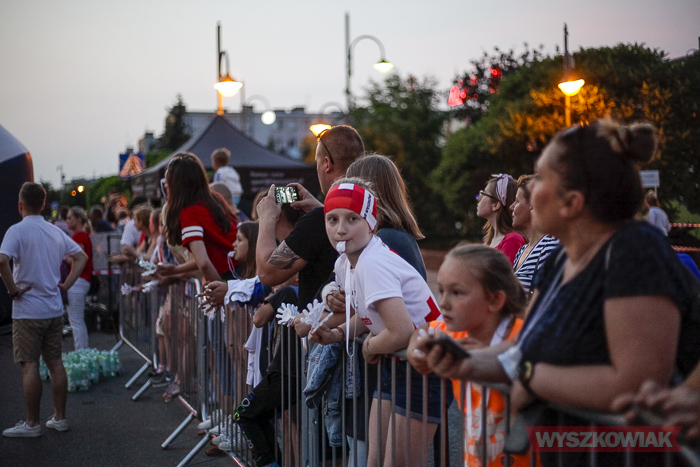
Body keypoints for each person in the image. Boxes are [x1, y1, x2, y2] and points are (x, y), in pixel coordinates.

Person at [416, 120, 700, 466]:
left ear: (572, 202)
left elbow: (634, 385)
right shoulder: (562, 258)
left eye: (541, 178)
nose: (528, 191)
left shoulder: (634, 251)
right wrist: (465, 362)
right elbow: (522, 349)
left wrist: (529, 377)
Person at [315, 179, 443, 467]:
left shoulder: (372, 262)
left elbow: (401, 331)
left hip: (424, 365)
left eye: (352, 219)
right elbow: (367, 314)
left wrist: (370, 346)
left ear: (371, 223)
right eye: (332, 219)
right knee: (374, 461)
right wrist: (336, 333)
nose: (341, 229)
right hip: (399, 363)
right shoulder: (345, 261)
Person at [408, 244, 529, 467]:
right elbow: (423, 330)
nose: (443, 302)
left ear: (495, 300)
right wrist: (415, 352)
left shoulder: (523, 336)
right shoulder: (457, 333)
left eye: (456, 292)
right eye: (441, 290)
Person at [0, 182, 88, 437]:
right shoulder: (54, 231)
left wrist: (13, 290)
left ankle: (32, 423)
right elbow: (81, 257)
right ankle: (59, 418)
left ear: (20, 205)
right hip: (53, 308)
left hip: (27, 310)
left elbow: (2, 260)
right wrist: (66, 285)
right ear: (43, 204)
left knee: (29, 365)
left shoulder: (16, 231)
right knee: (55, 362)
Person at [160, 152, 238, 283]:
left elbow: (203, 263)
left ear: (177, 185)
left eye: (168, 181)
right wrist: (175, 270)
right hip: (242, 267)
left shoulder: (189, 212)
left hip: (231, 273)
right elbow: (207, 257)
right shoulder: (215, 199)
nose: (165, 186)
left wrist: (219, 290)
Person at [510, 175, 558, 293]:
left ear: (533, 204)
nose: (511, 207)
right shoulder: (521, 251)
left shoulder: (550, 246)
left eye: (517, 201)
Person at [476, 174, 526, 263]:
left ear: (496, 205)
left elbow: (506, 272)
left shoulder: (512, 240)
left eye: (483, 194)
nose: (478, 198)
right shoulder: (490, 242)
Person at [65, 206, 94, 350]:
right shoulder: (83, 235)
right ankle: (82, 351)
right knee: (77, 320)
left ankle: (81, 352)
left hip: (78, 280)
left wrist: (65, 257)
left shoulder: (79, 236)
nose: (67, 221)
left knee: (76, 321)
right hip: (82, 280)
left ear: (78, 219)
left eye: (70, 218)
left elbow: (78, 259)